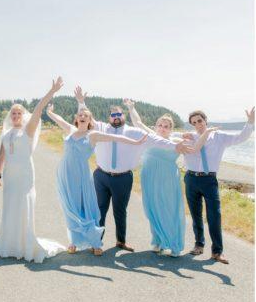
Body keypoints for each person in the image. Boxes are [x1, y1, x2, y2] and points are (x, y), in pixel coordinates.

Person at [75, 87, 193, 252]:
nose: (116, 118)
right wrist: (81, 102)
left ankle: (121, 242)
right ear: (109, 118)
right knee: (99, 209)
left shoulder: (134, 132)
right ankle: (96, 243)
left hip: (123, 178)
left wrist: (175, 145)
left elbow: (156, 140)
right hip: (101, 176)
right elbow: (85, 117)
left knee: (120, 211)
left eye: (119, 115)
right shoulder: (100, 128)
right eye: (113, 115)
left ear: (124, 117)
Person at [47, 99, 146, 256]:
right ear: (76, 118)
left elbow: (117, 139)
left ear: (89, 119)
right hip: (65, 174)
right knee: (70, 209)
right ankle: (73, 241)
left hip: (82, 176)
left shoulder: (93, 135)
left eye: (86, 115)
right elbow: (59, 120)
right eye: (80, 114)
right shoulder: (71, 130)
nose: (82, 116)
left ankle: (96, 242)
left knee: (87, 208)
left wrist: (135, 141)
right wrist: (49, 112)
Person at [0, 79, 65, 262]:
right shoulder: (6, 134)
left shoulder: (29, 130)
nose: (15, 115)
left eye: (19, 113)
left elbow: (38, 109)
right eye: (13, 113)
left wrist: (51, 91)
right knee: (10, 206)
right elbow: (1, 157)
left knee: (24, 205)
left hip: (25, 176)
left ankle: (25, 243)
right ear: (9, 116)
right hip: (10, 176)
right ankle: (10, 242)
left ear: (23, 115)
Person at [124, 99, 214, 257]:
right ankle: (158, 241)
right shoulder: (151, 136)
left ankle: (174, 245)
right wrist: (131, 107)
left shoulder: (176, 140)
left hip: (168, 180)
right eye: (160, 125)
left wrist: (205, 133)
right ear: (156, 126)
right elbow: (137, 122)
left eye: (166, 126)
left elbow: (194, 148)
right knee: (153, 208)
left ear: (171, 129)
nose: (163, 128)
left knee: (169, 210)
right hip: (149, 177)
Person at [181, 106, 254, 264]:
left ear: (205, 120)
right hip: (191, 179)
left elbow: (241, 137)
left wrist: (249, 123)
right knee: (196, 215)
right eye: (194, 123)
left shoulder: (219, 136)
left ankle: (217, 251)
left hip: (209, 181)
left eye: (199, 121)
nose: (198, 124)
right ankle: (199, 245)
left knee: (214, 216)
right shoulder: (189, 137)